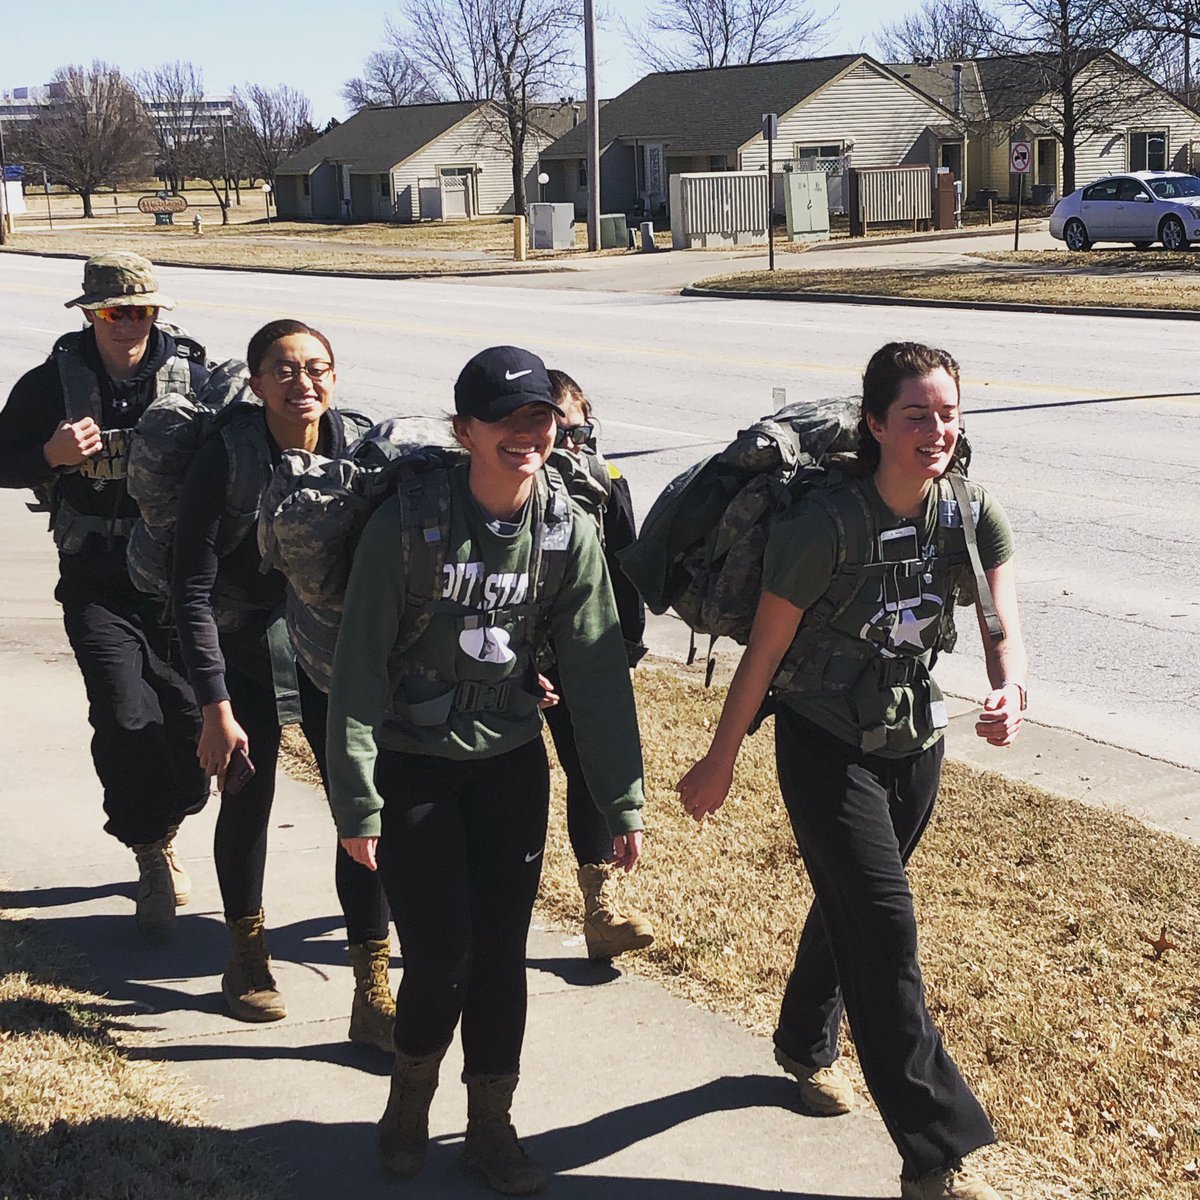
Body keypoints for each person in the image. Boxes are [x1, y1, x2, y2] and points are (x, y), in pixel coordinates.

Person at [675, 342, 1027, 1200]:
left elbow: (998, 616)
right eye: (916, 415)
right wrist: (718, 763)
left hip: (915, 740)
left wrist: (1010, 686)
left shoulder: (969, 507)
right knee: (884, 932)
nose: (936, 430)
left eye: (947, 413)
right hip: (825, 741)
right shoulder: (823, 525)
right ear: (875, 424)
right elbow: (764, 655)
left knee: (854, 910)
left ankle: (801, 1041)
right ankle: (935, 1151)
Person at [326, 346, 646, 1195]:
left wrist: (619, 797)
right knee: (440, 954)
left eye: (538, 417)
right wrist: (356, 800)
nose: (525, 433)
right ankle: (407, 1104)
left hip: (510, 764)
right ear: (464, 429)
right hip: (411, 766)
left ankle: (492, 1128)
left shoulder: (564, 529)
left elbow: (595, 670)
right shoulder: (410, 526)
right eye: (504, 420)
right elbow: (358, 669)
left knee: (501, 951)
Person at [170, 319, 393, 1046]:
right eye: (285, 369)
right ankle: (247, 957)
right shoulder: (228, 456)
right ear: (258, 381)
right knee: (248, 794)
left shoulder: (358, 446)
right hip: (243, 646)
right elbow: (191, 584)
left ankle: (372, 985)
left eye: (318, 368)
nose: (305, 383)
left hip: (333, 643)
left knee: (362, 805)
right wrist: (215, 706)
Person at [0, 252, 210, 939]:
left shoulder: (196, 380)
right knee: (124, 714)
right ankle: (151, 852)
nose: (130, 324)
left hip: (180, 582)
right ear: (90, 314)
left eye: (143, 311)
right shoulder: (50, 387)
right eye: (116, 312)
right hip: (96, 579)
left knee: (186, 722)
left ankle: (169, 814)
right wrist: (48, 457)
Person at [543, 369, 654, 959]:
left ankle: (600, 908)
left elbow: (624, 569)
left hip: (579, 658)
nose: (569, 439)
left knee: (589, 774)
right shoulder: (497, 481)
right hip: (503, 662)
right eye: (556, 425)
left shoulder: (606, 481)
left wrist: (626, 647)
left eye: (578, 426)